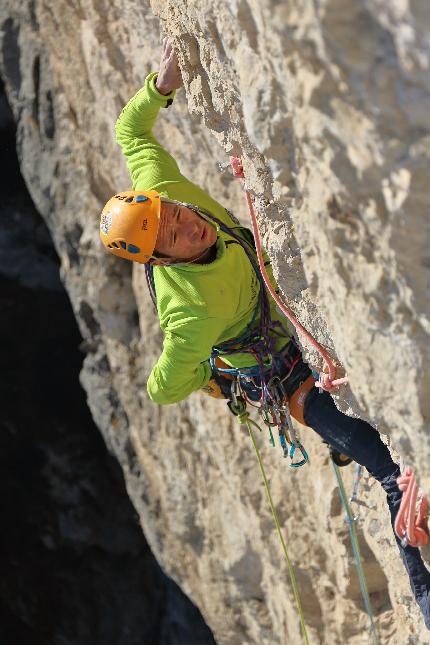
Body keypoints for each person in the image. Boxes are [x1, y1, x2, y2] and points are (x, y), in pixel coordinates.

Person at [100, 38, 430, 627]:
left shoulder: (160, 191)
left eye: (176, 213)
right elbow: (160, 388)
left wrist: (163, 82)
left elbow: (132, 132)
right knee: (387, 468)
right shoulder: (189, 314)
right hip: (287, 376)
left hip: (284, 331)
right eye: (174, 236)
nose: (189, 224)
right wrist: (213, 377)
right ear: (161, 261)